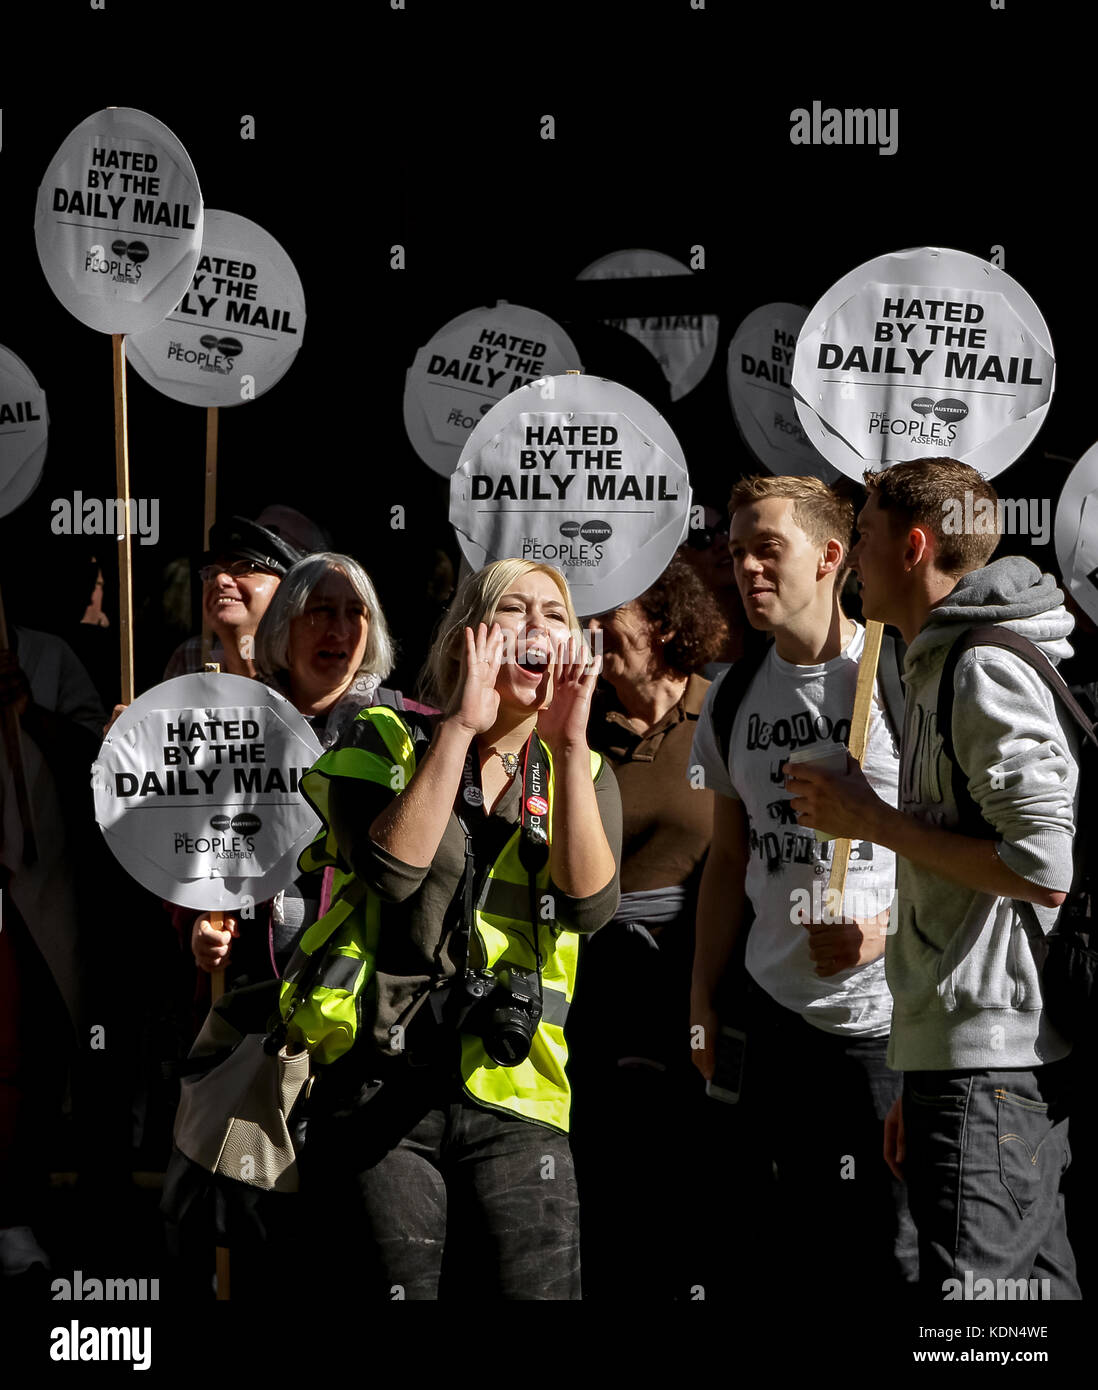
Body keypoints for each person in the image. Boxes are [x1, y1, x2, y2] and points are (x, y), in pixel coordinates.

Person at [787, 458, 1081, 1299]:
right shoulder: (936, 662)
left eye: (865, 538)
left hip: (991, 1065)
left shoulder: (979, 668)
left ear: (914, 547)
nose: (850, 558)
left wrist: (867, 820)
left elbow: (1042, 865)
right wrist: (921, 1072)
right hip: (971, 1063)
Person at [293, 558, 622, 1300]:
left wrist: (568, 749)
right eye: (515, 611)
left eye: (555, 615)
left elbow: (590, 909)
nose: (538, 628)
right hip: (379, 1085)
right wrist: (462, 729)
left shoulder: (584, 768)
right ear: (468, 636)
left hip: (519, 1091)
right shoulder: (384, 737)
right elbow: (392, 870)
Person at [689, 473, 916, 1294]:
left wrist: (883, 932)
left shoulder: (901, 680)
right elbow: (725, 859)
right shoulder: (731, 697)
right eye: (738, 551)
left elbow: (967, 853)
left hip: (889, 1029)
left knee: (892, 1253)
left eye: (768, 549)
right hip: (772, 1024)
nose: (747, 568)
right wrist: (702, 1005)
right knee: (784, 1256)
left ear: (830, 557)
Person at [571, 556, 727, 1298]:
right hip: (597, 996)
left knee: (702, 1189)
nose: (590, 630)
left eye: (610, 613)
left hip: (704, 981)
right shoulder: (572, 728)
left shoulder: (725, 709)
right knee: (609, 1192)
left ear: (664, 622)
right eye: (585, 615)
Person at [162, 511, 311, 681]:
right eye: (212, 572)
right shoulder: (190, 659)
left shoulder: (311, 677)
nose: (220, 579)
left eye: (246, 568)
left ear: (286, 589)